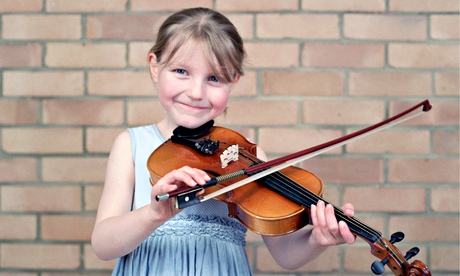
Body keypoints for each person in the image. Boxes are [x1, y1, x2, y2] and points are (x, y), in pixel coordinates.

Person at [91, 7, 356, 275]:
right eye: (181, 71)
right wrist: (153, 215)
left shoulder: (246, 155)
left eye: (214, 78)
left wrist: (316, 240)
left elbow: (285, 254)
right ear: (155, 66)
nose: (196, 92)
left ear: (233, 81)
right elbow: (103, 245)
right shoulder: (131, 145)